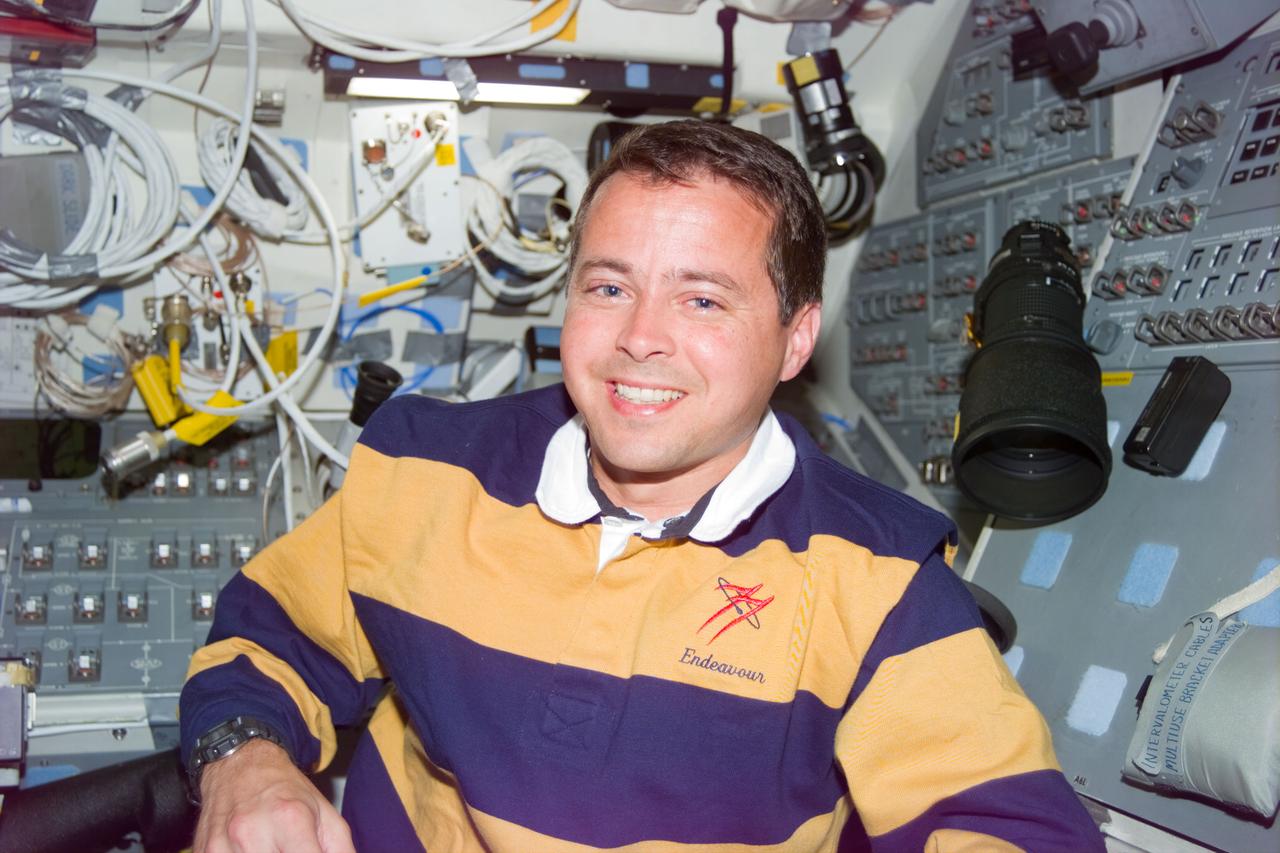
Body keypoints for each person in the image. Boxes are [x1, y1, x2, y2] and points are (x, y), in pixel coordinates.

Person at [180, 119, 1105, 853]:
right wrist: (242, 764)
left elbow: (1009, 824)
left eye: (702, 299)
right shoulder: (425, 467)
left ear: (795, 338)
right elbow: (267, 641)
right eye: (609, 288)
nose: (640, 338)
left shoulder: (881, 582)